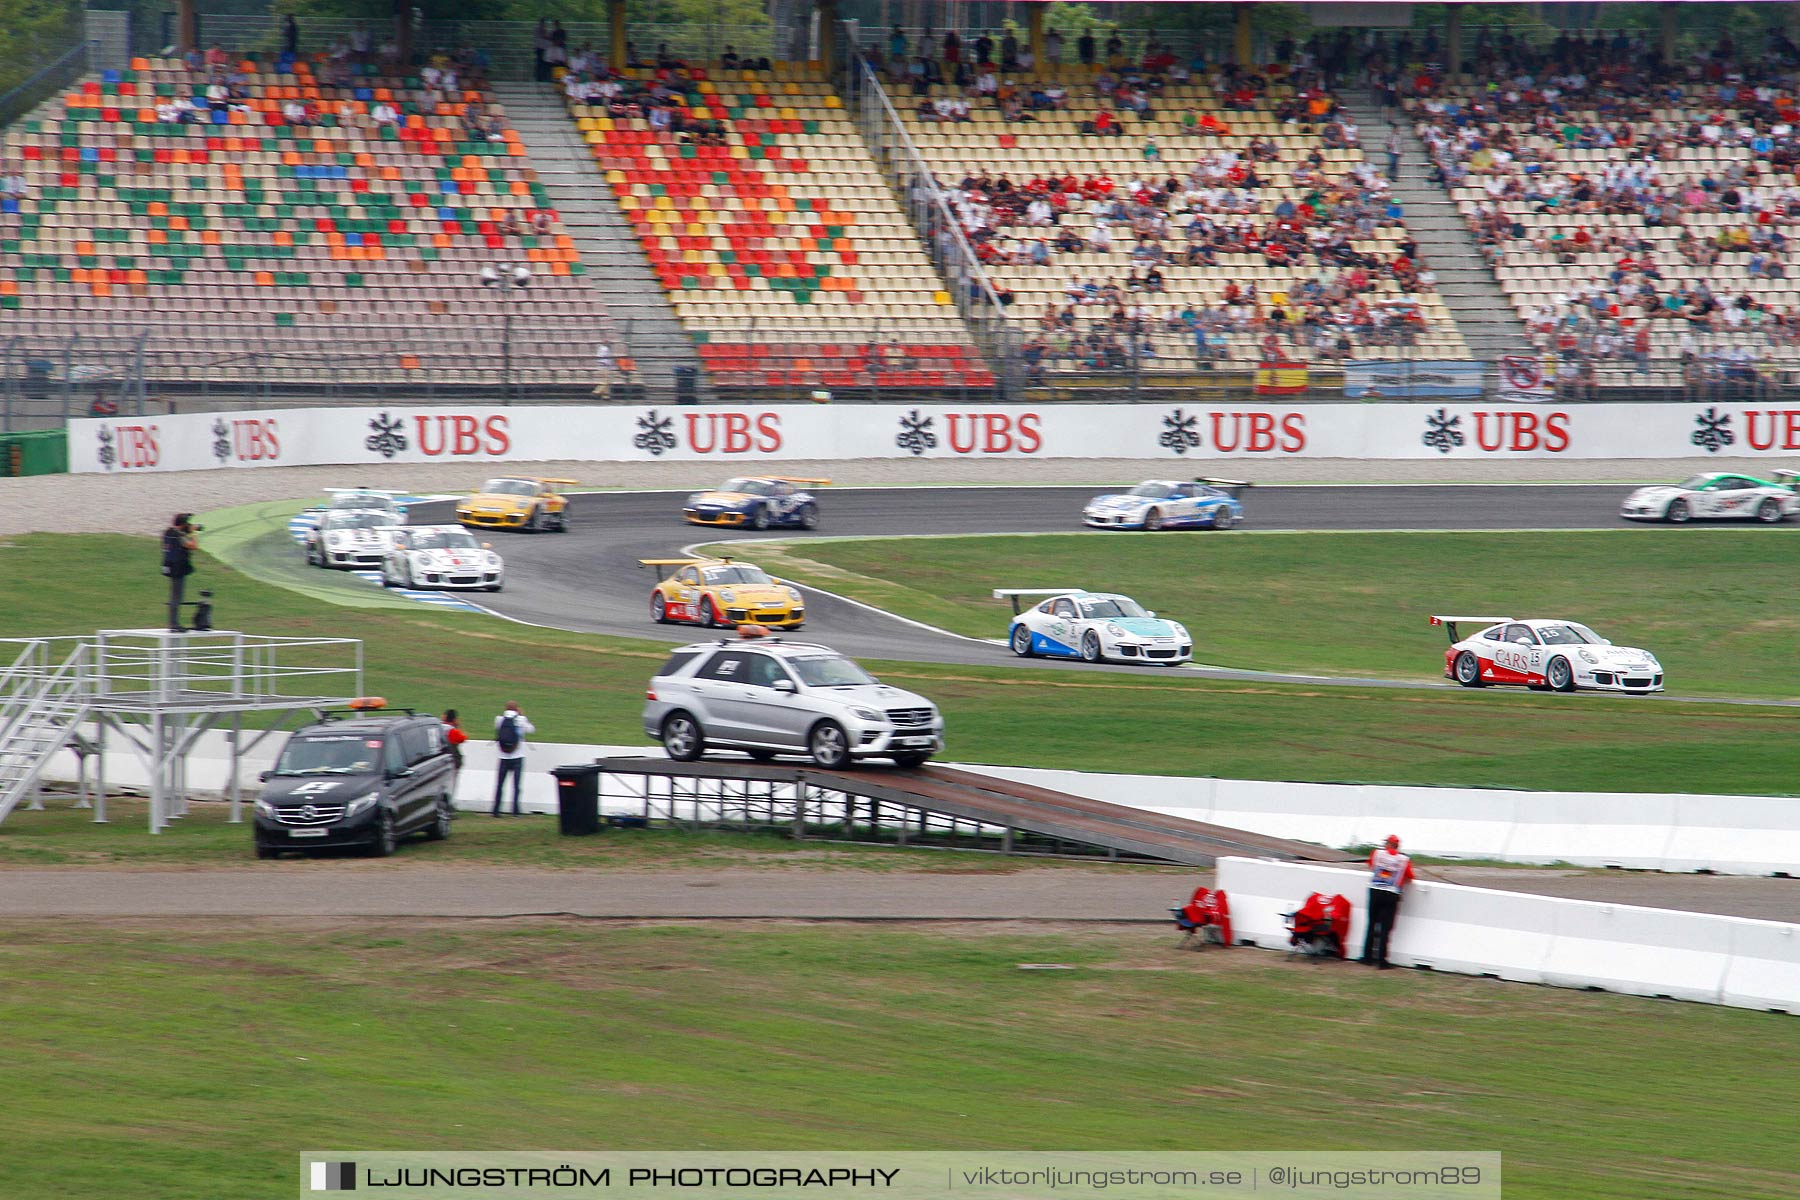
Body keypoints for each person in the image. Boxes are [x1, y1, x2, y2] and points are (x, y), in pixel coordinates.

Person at [1360, 833, 1415, 968]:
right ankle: (1381, 961)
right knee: (1386, 928)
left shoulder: (1377, 853)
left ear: (1389, 844)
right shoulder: (1404, 859)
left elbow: (1371, 866)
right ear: (1397, 846)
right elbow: (1410, 877)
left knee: (1371, 924)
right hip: (1391, 894)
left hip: (1375, 891)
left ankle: (1367, 957)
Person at [491, 702, 534, 816]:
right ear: (517, 709)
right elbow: (531, 730)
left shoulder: (499, 719)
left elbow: (497, 729)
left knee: (500, 785)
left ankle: (496, 810)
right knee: (516, 786)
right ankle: (515, 811)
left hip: (503, 756)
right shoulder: (521, 719)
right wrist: (521, 715)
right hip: (517, 756)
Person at [161, 513, 197, 632]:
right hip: (178, 568)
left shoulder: (168, 532)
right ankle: (174, 624)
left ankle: (173, 623)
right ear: (183, 524)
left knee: (174, 596)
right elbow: (193, 546)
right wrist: (193, 533)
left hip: (170, 566)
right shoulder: (178, 536)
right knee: (176, 597)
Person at [442, 709, 468, 799]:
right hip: (453, 762)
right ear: (454, 719)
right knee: (452, 785)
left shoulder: (438, 727)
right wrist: (458, 726)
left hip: (440, 763)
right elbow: (463, 738)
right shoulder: (453, 731)